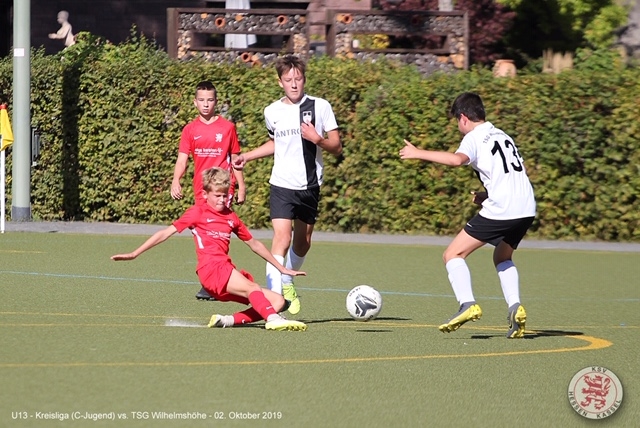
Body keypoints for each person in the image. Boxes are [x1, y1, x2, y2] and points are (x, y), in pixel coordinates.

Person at [399, 92, 536, 339]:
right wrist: (488, 194)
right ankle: (515, 307)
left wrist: (418, 153)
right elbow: (516, 171)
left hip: (503, 207)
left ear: (463, 118)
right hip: (526, 207)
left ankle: (467, 304)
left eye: (457, 122)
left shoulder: (474, 137)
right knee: (502, 256)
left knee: (453, 254)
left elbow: (456, 160)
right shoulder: (502, 135)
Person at [112, 167, 307, 331]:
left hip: (223, 272)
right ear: (205, 194)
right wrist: (135, 253)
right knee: (253, 288)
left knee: (277, 301)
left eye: (225, 195)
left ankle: (227, 320)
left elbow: (254, 244)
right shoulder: (197, 213)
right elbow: (165, 233)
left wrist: (281, 268)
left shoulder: (231, 217)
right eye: (217, 195)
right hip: (212, 269)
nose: (222, 200)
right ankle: (273, 319)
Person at [233, 55, 342, 315]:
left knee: (303, 243)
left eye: (298, 79)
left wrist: (318, 139)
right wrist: (247, 156)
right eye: (288, 80)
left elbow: (337, 147)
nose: (294, 84)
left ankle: (287, 279)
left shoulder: (320, 106)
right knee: (282, 238)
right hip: (281, 184)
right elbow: (276, 143)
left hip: (310, 186)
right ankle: (274, 303)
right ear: (280, 82)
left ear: (304, 79)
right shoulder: (271, 111)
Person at [171, 80, 246, 302]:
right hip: (201, 191)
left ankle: (215, 282)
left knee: (218, 232)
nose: (206, 104)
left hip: (223, 188)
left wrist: (241, 186)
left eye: (210, 100)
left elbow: (235, 159)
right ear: (195, 102)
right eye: (202, 100)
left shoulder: (227, 127)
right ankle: (212, 280)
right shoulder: (190, 130)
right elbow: (182, 159)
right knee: (203, 234)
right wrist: (176, 180)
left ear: (216, 102)